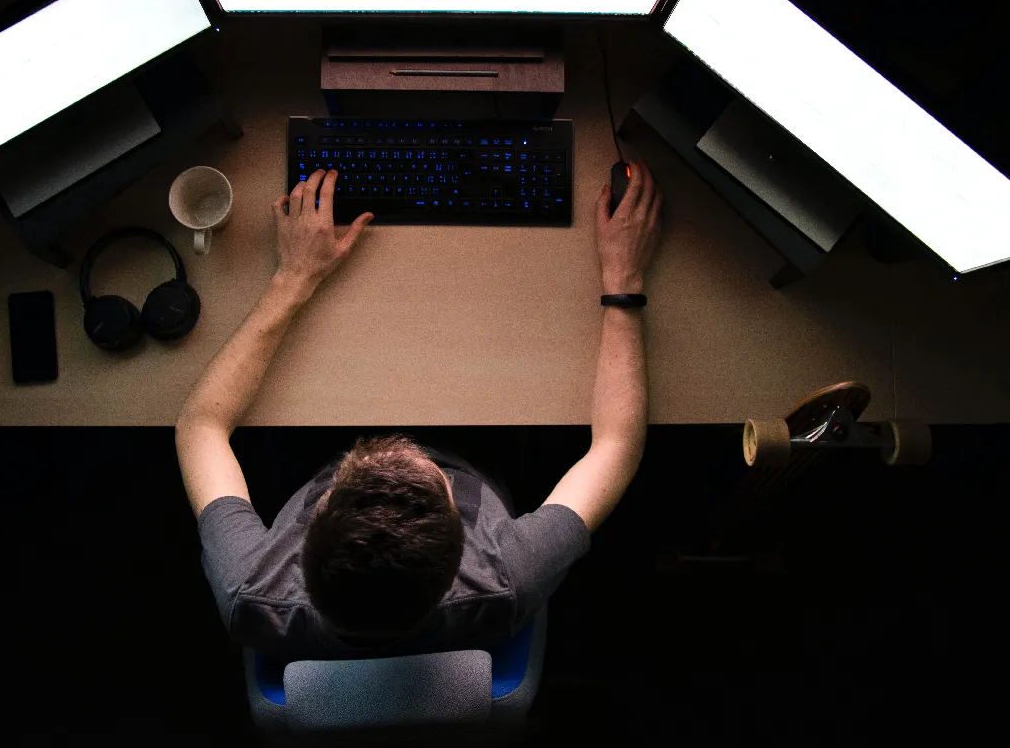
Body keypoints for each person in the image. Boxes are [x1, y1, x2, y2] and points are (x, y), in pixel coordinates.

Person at [175, 160, 662, 659]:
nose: (404, 444)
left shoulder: (249, 590)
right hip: (482, 451)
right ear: (458, 551)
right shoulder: (506, 577)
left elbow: (200, 425)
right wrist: (623, 275)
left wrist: (293, 276)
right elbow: (617, 447)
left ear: (314, 519)